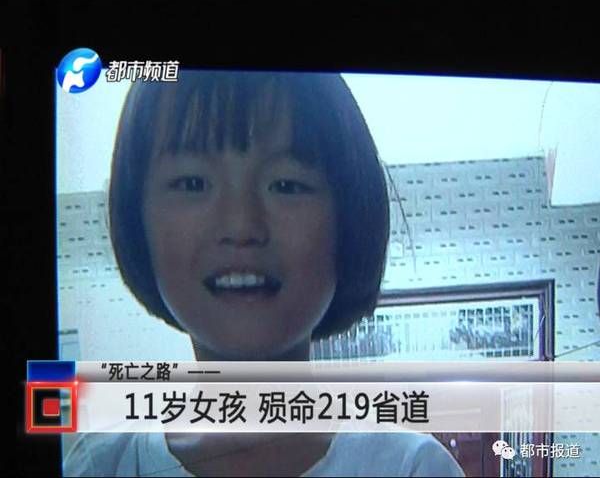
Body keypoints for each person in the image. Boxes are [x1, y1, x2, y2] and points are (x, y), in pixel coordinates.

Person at [63, 71, 464, 477]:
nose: (241, 225)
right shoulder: (102, 465)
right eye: (193, 182)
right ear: (138, 217)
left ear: (350, 219)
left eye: (286, 185)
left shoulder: (410, 467)